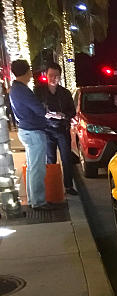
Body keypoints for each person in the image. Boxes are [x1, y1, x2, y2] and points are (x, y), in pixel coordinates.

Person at [9, 59, 52, 210]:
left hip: (26, 130)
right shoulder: (22, 90)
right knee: (37, 169)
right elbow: (39, 110)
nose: (30, 75)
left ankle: (35, 200)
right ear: (27, 72)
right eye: (29, 72)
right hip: (33, 131)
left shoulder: (15, 88)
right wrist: (44, 108)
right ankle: (38, 202)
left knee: (33, 168)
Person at [35, 63, 77, 195]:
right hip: (47, 129)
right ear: (46, 75)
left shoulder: (65, 93)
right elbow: (34, 108)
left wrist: (63, 115)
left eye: (56, 76)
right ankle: (52, 187)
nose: (53, 78)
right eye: (51, 75)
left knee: (66, 158)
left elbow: (72, 111)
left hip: (62, 129)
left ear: (60, 76)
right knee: (50, 159)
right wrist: (43, 114)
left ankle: (68, 186)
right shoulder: (39, 91)